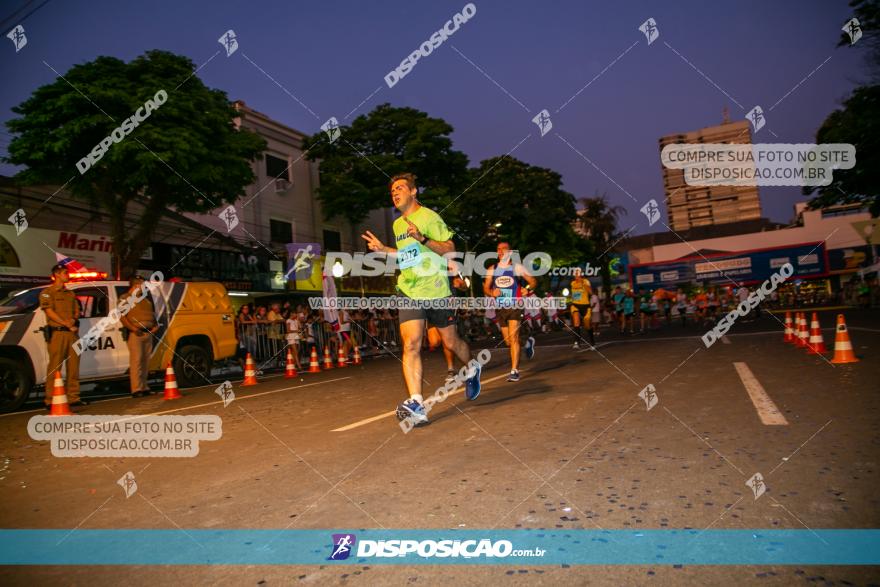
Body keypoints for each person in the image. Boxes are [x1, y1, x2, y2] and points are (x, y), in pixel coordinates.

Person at [361, 172, 481, 426]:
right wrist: (384, 250)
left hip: (436, 289)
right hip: (409, 289)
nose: (395, 193)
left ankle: (472, 368)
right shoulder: (397, 225)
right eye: (392, 190)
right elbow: (408, 257)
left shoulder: (429, 217)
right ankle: (416, 402)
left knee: (451, 342)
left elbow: (450, 249)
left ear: (414, 192)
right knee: (411, 343)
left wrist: (423, 238)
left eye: (400, 188)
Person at [483, 241, 537, 381]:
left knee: (513, 339)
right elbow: (486, 288)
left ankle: (514, 371)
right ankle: (527, 342)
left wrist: (528, 289)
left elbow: (532, 281)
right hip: (500, 308)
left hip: (515, 305)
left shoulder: (517, 267)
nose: (500, 251)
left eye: (504, 249)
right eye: (498, 249)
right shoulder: (492, 269)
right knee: (508, 341)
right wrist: (491, 293)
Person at [40, 264, 86, 407]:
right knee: (55, 367)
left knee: (73, 367)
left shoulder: (70, 293)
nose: (68, 275)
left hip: (71, 333)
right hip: (58, 333)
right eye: (65, 273)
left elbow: (77, 312)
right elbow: (49, 311)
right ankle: (50, 399)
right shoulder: (47, 292)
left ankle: (73, 397)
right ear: (57, 274)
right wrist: (66, 323)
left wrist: (73, 320)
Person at [119, 275, 159, 398]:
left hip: (148, 333)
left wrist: (155, 326)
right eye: (142, 285)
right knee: (136, 361)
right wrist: (133, 329)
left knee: (146, 361)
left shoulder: (145, 300)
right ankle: (136, 389)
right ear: (136, 286)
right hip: (136, 333)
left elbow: (152, 316)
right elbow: (122, 317)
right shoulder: (125, 298)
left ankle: (144, 386)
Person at [566, 267, 593, 349]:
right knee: (576, 323)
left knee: (587, 325)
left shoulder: (586, 281)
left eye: (578, 273)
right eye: (575, 273)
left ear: (581, 274)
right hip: (575, 305)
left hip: (585, 306)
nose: (576, 274)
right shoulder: (573, 283)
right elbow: (576, 295)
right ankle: (577, 342)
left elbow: (590, 293)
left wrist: (584, 284)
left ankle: (592, 342)